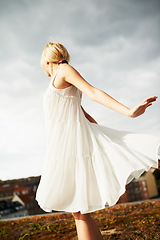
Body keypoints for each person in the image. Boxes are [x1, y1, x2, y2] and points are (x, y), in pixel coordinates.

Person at [35, 41, 160, 240]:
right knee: (79, 211)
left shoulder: (63, 69)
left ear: (46, 61)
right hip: (64, 147)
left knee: (79, 210)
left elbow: (93, 92)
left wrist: (128, 112)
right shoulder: (60, 79)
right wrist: (99, 130)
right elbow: (81, 112)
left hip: (73, 145)